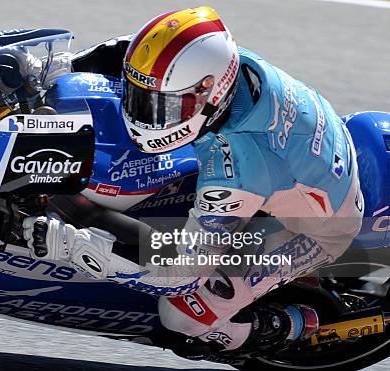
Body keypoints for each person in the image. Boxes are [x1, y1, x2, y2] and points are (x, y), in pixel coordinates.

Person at [22, 6, 364, 353]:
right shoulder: (199, 62)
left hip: (313, 227)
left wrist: (72, 245)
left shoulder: (240, 168)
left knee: (183, 317)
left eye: (162, 107)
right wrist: (34, 74)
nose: (142, 114)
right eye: (140, 97)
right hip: (302, 157)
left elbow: (182, 274)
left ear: (209, 95)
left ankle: (284, 327)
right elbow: (113, 56)